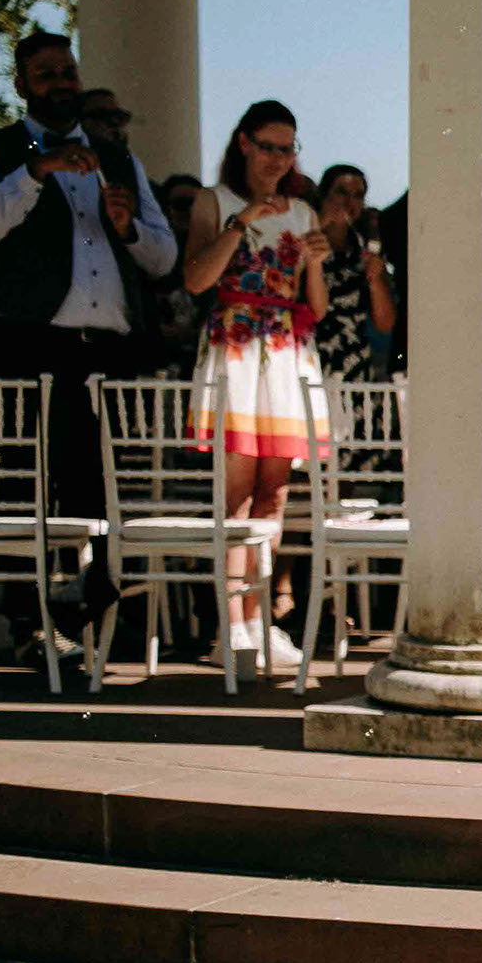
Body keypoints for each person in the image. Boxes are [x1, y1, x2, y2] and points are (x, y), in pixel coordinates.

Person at [0, 30, 180, 667]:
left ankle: (95, 622)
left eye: (68, 72)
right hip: (25, 340)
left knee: (101, 488)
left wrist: (128, 225)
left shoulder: (119, 159)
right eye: (45, 74)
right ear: (21, 85)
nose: (60, 83)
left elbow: (163, 259)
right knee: (25, 482)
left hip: (105, 350)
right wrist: (32, 173)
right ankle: (28, 627)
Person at [177, 101, 331, 668]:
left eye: (287, 148)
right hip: (237, 344)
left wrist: (315, 261)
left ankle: (262, 621)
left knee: (274, 494)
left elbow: (316, 305)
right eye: (267, 146)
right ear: (243, 143)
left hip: (287, 348)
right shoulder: (213, 201)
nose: (277, 158)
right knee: (236, 494)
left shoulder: (304, 212)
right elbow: (196, 279)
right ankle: (231, 626)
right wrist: (241, 222)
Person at [309, 164, 398, 385]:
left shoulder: (366, 249)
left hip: (355, 364)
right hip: (310, 358)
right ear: (324, 195)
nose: (349, 202)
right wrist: (318, 224)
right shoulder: (305, 239)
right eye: (341, 192)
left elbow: (385, 324)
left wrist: (376, 280)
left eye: (357, 196)